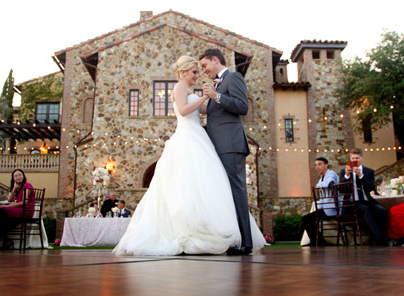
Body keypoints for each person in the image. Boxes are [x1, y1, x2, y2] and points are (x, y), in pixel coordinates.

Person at [114, 55, 265, 257]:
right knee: (187, 185)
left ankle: (214, 231)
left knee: (206, 185)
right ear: (183, 72)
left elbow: (206, 110)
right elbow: (185, 111)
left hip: (200, 137)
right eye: (195, 71)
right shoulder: (179, 87)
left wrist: (212, 98)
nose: (198, 74)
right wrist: (206, 96)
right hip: (187, 137)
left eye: (200, 69)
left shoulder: (196, 88)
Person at [200, 48, 253, 256]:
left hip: (231, 145)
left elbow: (242, 106)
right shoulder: (218, 85)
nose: (204, 70)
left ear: (215, 60)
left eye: (205, 65)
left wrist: (216, 95)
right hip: (219, 146)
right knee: (226, 193)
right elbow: (216, 114)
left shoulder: (234, 77)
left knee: (237, 191)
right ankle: (233, 238)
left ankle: (244, 243)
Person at [339, 148, 387, 245]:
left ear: (362, 158)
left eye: (357, 158)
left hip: (366, 201)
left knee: (382, 211)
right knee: (366, 210)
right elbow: (342, 190)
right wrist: (347, 176)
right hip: (351, 203)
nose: (354, 161)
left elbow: (370, 187)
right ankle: (382, 240)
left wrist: (361, 175)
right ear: (350, 159)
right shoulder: (344, 172)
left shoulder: (368, 171)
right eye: (352, 158)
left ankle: (375, 239)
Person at [301, 157, 339, 247]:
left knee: (307, 218)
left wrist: (318, 185)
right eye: (316, 165)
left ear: (326, 165)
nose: (317, 167)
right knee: (307, 218)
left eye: (320, 164)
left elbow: (327, 184)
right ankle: (318, 240)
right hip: (325, 208)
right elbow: (322, 195)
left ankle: (317, 241)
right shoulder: (322, 178)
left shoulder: (331, 174)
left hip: (331, 208)